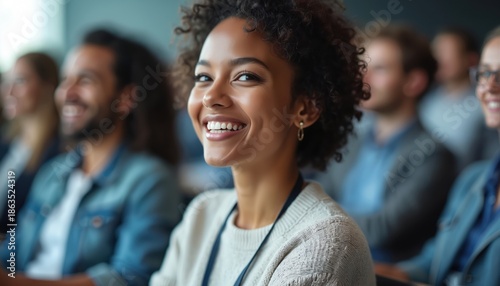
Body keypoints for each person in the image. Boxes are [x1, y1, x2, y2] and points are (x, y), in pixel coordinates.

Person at [150, 0, 376, 285]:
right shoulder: (201, 214)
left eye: (246, 76)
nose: (210, 96)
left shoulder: (326, 241)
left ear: (305, 108)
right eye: (203, 77)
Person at [0, 29, 182, 286]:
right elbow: (12, 253)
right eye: (66, 80)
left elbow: (129, 278)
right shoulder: (53, 172)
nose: (67, 93)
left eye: (85, 80)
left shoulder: (150, 179)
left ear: (125, 97)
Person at [315, 25, 457, 263]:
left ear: (414, 82)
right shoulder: (352, 140)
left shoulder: (434, 155)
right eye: (363, 67)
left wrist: (311, 214)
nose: (363, 78)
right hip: (326, 255)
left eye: (379, 69)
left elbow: (380, 231)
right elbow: (320, 192)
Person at [376, 26, 500, 286]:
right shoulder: (472, 180)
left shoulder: (440, 157)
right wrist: (368, 269)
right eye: (486, 73)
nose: (489, 86)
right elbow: (433, 262)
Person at [419, 27, 498, 170]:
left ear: (471, 60)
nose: (438, 59)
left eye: (447, 52)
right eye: (436, 52)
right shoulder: (426, 101)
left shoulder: (486, 110)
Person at [0, 53, 60, 236]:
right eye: (6, 81)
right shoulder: (6, 143)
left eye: (20, 81)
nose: (8, 91)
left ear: (47, 87)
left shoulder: (57, 151)